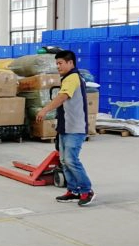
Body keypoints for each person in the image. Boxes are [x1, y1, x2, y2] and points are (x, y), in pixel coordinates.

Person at [36, 49, 95, 207]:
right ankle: (73, 190)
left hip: (75, 127)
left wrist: (45, 110)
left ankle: (86, 190)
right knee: (63, 160)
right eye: (57, 63)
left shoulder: (72, 78)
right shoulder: (67, 78)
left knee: (71, 160)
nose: (58, 66)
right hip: (66, 126)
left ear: (71, 63)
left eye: (60, 63)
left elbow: (62, 97)